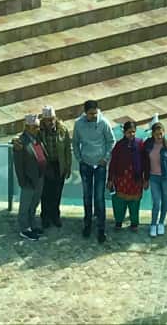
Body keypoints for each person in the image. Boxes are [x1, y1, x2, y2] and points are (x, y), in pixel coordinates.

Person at [72, 99, 115, 244]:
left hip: (100, 165)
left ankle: (101, 229)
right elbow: (75, 142)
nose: (94, 116)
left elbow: (111, 141)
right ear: (85, 113)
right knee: (87, 196)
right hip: (86, 164)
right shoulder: (78, 124)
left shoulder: (104, 123)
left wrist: (106, 158)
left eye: (95, 113)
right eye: (91, 114)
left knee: (99, 197)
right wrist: (79, 158)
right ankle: (87, 224)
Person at [107, 120, 147, 232]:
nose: (132, 134)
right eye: (129, 132)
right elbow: (113, 163)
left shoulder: (140, 144)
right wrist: (110, 179)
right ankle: (118, 221)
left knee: (135, 203)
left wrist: (146, 178)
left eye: (133, 132)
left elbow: (145, 162)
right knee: (119, 202)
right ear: (124, 132)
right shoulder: (119, 145)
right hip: (121, 179)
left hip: (136, 179)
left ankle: (134, 223)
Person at [12, 115, 46, 240]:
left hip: (39, 177)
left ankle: (32, 224)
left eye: (38, 127)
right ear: (27, 127)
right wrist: (22, 181)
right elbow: (18, 164)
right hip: (29, 180)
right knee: (25, 205)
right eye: (35, 127)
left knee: (34, 204)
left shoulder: (37, 138)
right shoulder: (21, 142)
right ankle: (24, 228)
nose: (38, 129)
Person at [37, 105, 72, 229]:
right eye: (47, 120)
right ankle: (45, 217)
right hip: (46, 165)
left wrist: (68, 166)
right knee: (45, 193)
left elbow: (68, 149)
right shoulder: (38, 131)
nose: (50, 122)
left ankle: (55, 216)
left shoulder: (62, 130)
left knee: (57, 193)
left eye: (52, 119)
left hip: (58, 164)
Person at [144, 120, 167, 237]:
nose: (159, 136)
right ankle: (153, 224)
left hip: (165, 178)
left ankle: (161, 223)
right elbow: (144, 161)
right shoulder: (148, 144)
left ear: (164, 133)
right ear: (152, 134)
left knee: (165, 201)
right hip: (153, 177)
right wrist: (145, 178)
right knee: (156, 202)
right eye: (157, 134)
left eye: (161, 134)